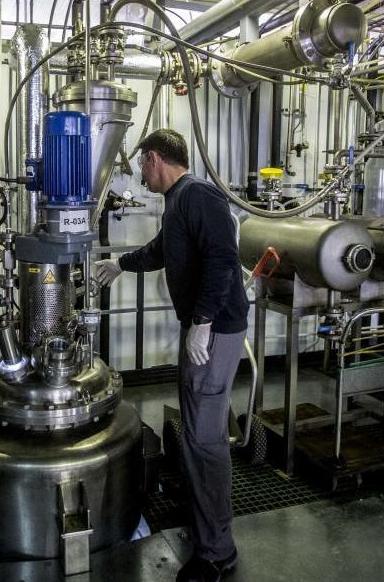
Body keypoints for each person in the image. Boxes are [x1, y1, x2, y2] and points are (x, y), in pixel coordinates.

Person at [93, 129, 248, 582]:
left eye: (142, 164)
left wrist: (202, 321)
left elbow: (222, 259)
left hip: (214, 331)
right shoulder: (178, 200)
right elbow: (165, 249)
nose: (141, 173)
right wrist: (121, 264)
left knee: (205, 439)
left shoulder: (198, 196)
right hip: (203, 328)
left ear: (156, 158)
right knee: (199, 428)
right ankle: (205, 526)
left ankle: (217, 553)